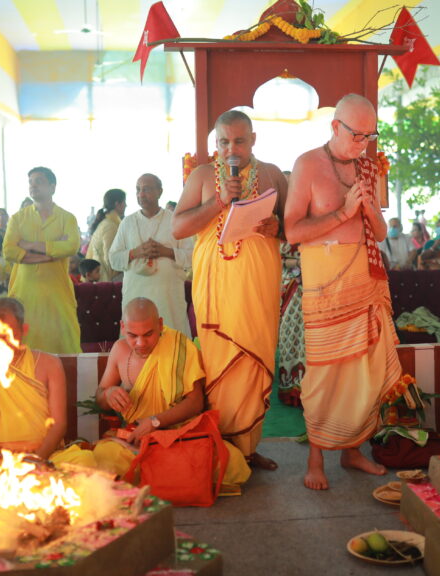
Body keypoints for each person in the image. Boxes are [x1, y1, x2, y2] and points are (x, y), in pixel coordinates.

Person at [285, 93, 397, 490]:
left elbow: (381, 233)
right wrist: (341, 214)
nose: (362, 143)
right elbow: (293, 231)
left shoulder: (368, 168)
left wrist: (365, 210)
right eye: (356, 134)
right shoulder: (308, 165)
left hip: (364, 281)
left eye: (370, 136)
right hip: (325, 285)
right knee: (324, 374)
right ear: (335, 127)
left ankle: (353, 451)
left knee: (364, 372)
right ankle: (316, 459)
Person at [172, 109, 286, 471]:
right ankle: (217, 450)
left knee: (256, 358)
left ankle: (248, 449)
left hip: (258, 281)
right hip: (215, 282)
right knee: (218, 361)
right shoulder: (204, 175)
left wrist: (276, 227)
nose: (231, 149)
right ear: (215, 143)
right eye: (223, 142)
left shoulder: (272, 174)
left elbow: (293, 228)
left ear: (253, 139)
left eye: (239, 140)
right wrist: (218, 201)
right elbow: (177, 227)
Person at [93, 298, 251, 485]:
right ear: (122, 327)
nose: (140, 343)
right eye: (132, 335)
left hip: (178, 434)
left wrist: (155, 422)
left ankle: (154, 477)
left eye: (148, 334)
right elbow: (99, 397)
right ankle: (173, 477)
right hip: (136, 439)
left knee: (232, 462)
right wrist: (108, 394)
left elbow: (195, 402)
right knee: (102, 458)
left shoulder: (181, 347)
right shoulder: (119, 350)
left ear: (160, 324)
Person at [0, 298, 94, 466]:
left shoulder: (49, 365)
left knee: (84, 461)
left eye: (9, 336)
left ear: (24, 330)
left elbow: (59, 425)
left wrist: (36, 460)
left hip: (45, 455)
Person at [3, 167, 82, 355]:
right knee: (25, 347)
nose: (33, 186)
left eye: (39, 181)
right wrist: (49, 255)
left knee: (66, 345)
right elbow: (9, 251)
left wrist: (30, 245)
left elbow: (72, 246)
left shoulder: (67, 218)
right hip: (25, 291)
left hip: (57, 292)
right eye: (30, 182)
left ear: (52, 187)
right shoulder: (18, 218)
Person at [109, 173, 193, 336]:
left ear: (159, 192)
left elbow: (192, 257)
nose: (141, 194)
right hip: (136, 294)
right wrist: (135, 252)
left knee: (171, 344)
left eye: (146, 189)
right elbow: (113, 259)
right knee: (137, 346)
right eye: (138, 190)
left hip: (168, 297)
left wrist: (166, 252)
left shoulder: (174, 220)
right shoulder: (127, 223)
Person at [276, 241, 305, 406]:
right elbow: (275, 259)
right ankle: (292, 388)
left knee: (310, 341)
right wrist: (297, 270)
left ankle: (310, 389)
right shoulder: (279, 229)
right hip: (291, 289)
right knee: (290, 337)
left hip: (318, 284)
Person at [86, 188, 127, 282]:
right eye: (124, 202)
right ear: (117, 204)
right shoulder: (110, 225)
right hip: (106, 279)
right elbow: (110, 258)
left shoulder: (108, 223)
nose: (126, 205)